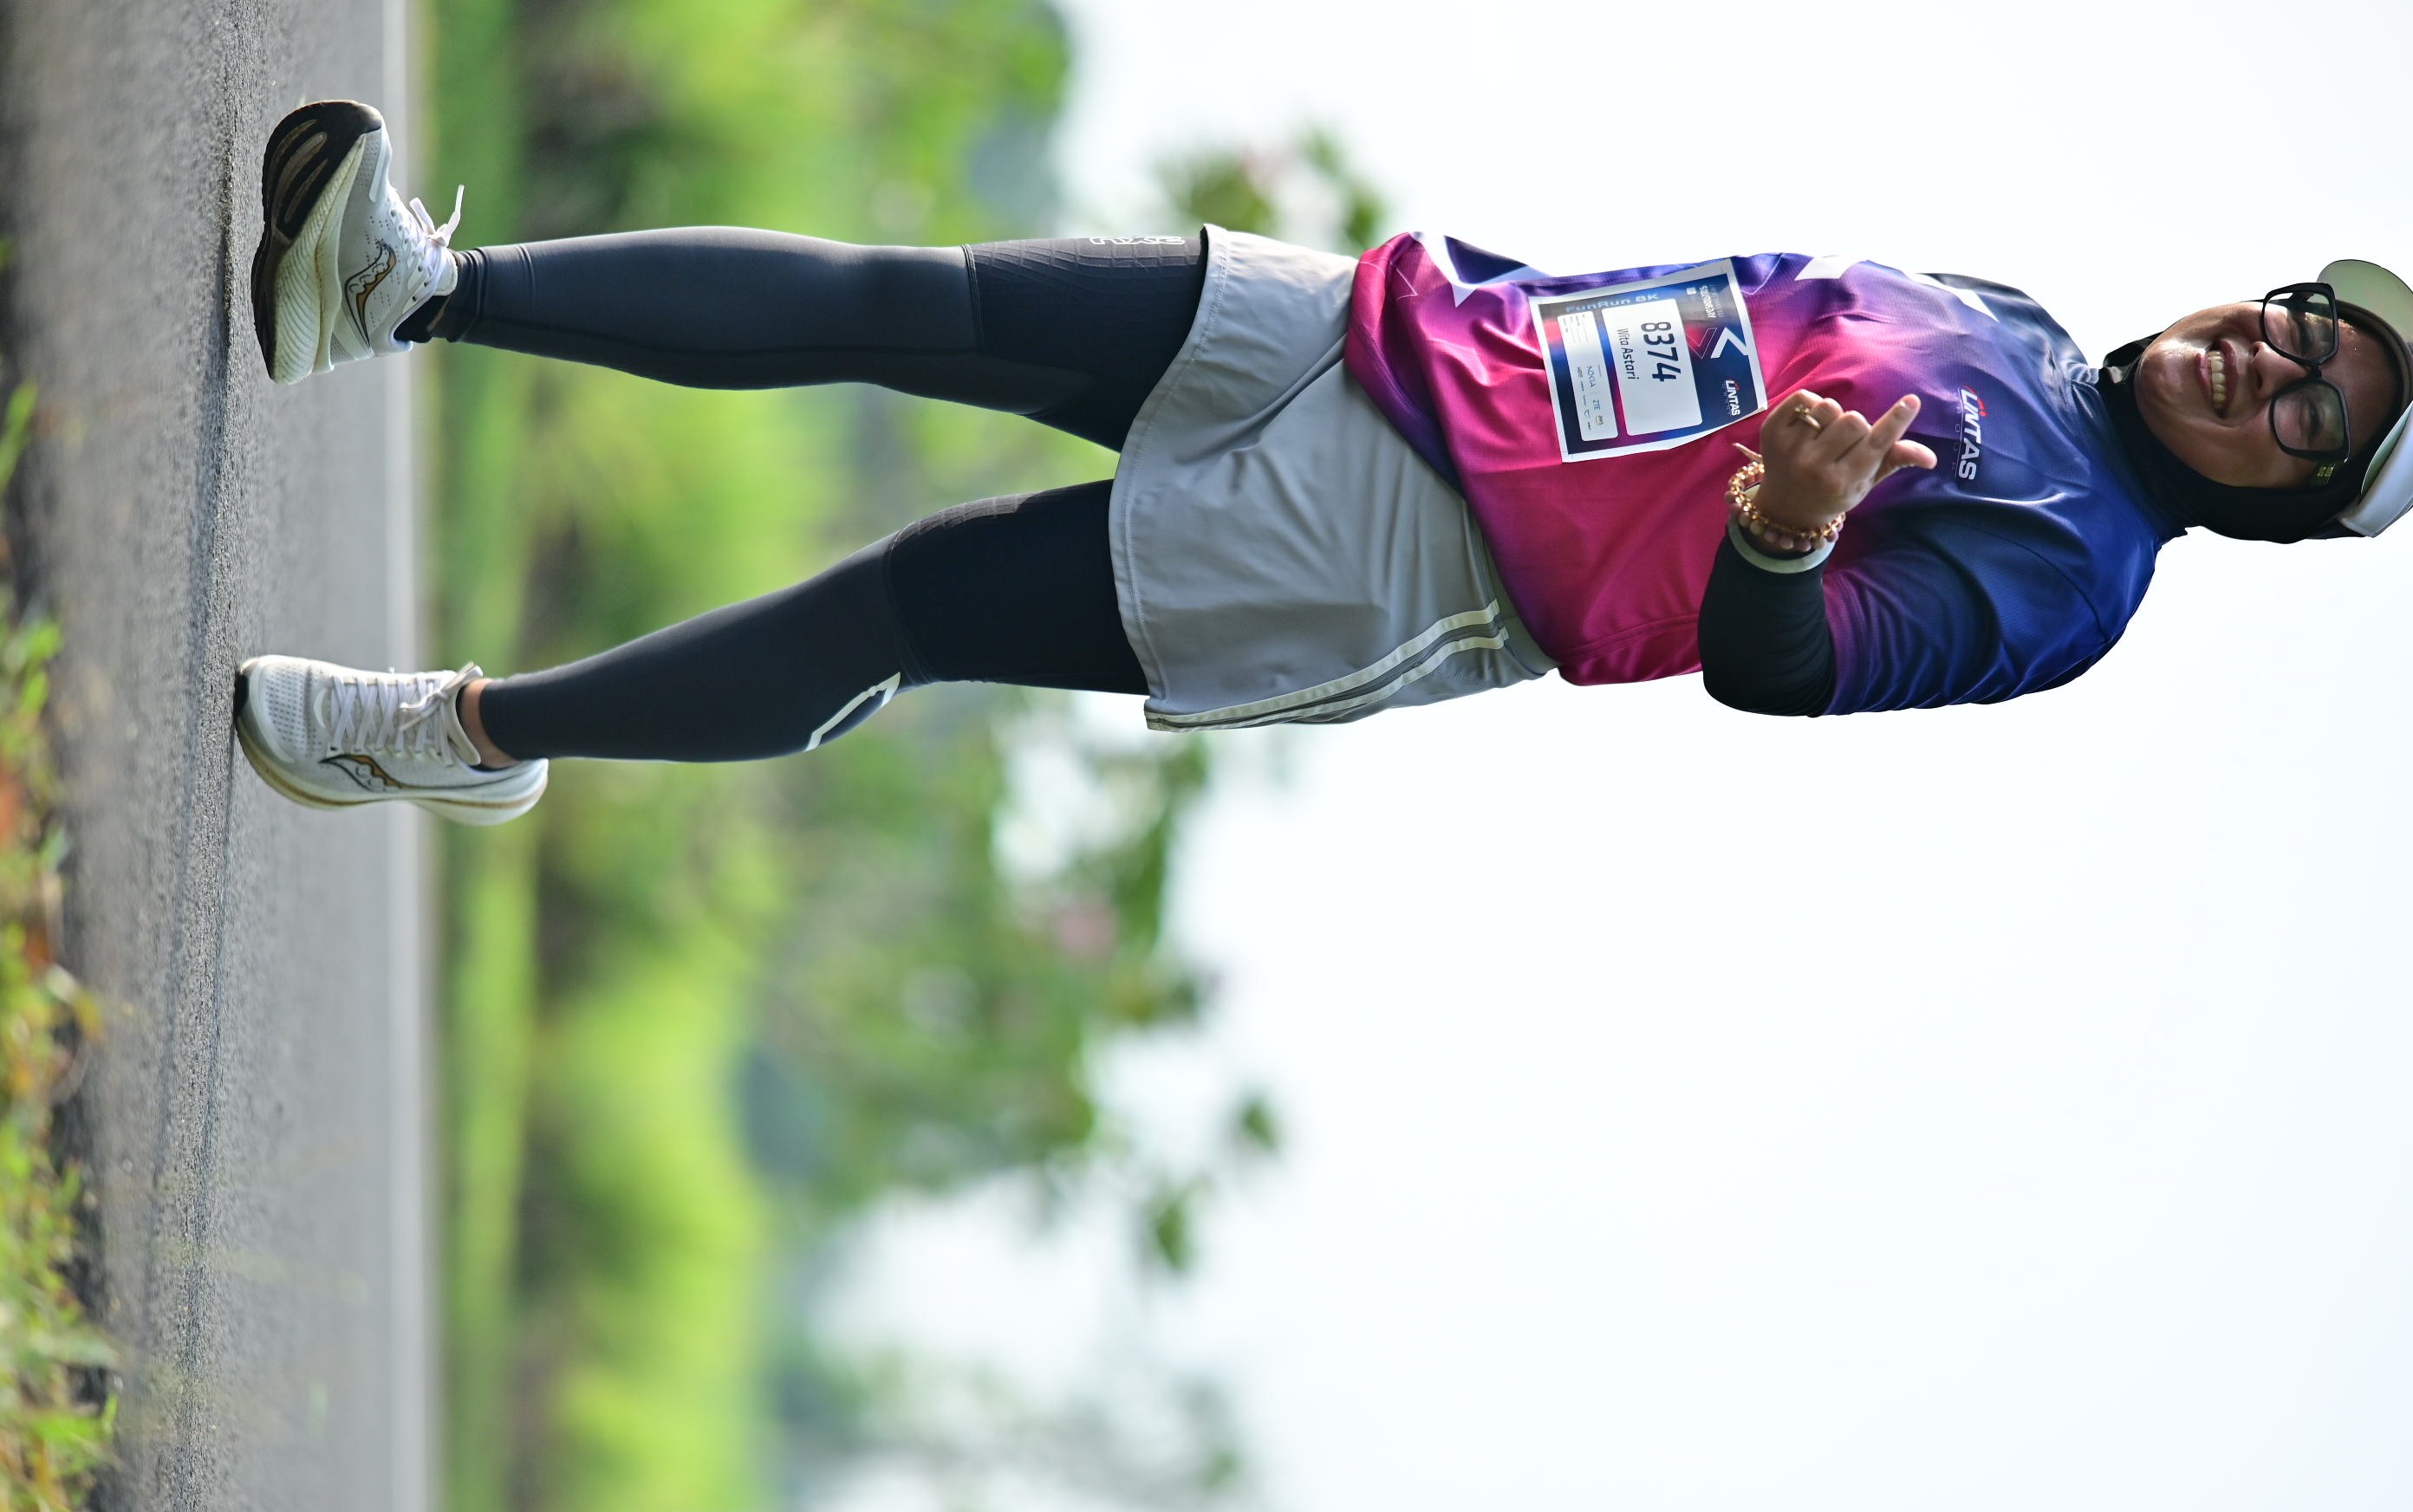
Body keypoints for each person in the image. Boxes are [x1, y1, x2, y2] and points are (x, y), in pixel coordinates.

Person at [233, 99, 2413, 825]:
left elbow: (1788, 665)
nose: (2273, 364)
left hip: (1416, 558)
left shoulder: (2073, 573)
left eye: (2311, 416)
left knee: (916, 599)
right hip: (1400, 334)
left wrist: (1784, 530)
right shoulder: (2017, 318)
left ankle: (463, 734)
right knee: (922, 302)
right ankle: (407, 292)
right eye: (2304, 329)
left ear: (2290, 502)